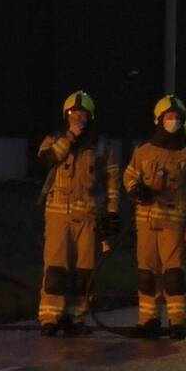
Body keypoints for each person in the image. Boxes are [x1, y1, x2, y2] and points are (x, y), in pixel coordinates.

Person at [123, 95, 186, 340]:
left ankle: (177, 322)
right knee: (147, 274)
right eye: (169, 117)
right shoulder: (143, 151)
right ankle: (148, 320)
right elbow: (130, 175)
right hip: (146, 222)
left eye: (177, 118)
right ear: (159, 120)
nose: (173, 122)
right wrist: (135, 190)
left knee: (174, 274)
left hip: (175, 221)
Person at [37, 90, 120, 336]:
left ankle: (75, 318)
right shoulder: (54, 139)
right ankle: (50, 318)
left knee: (84, 272)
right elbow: (48, 158)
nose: (78, 118)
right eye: (74, 113)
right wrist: (70, 137)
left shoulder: (103, 145)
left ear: (91, 116)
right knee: (55, 270)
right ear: (66, 115)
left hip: (89, 219)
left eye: (83, 114)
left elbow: (113, 183)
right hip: (58, 217)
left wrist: (112, 215)